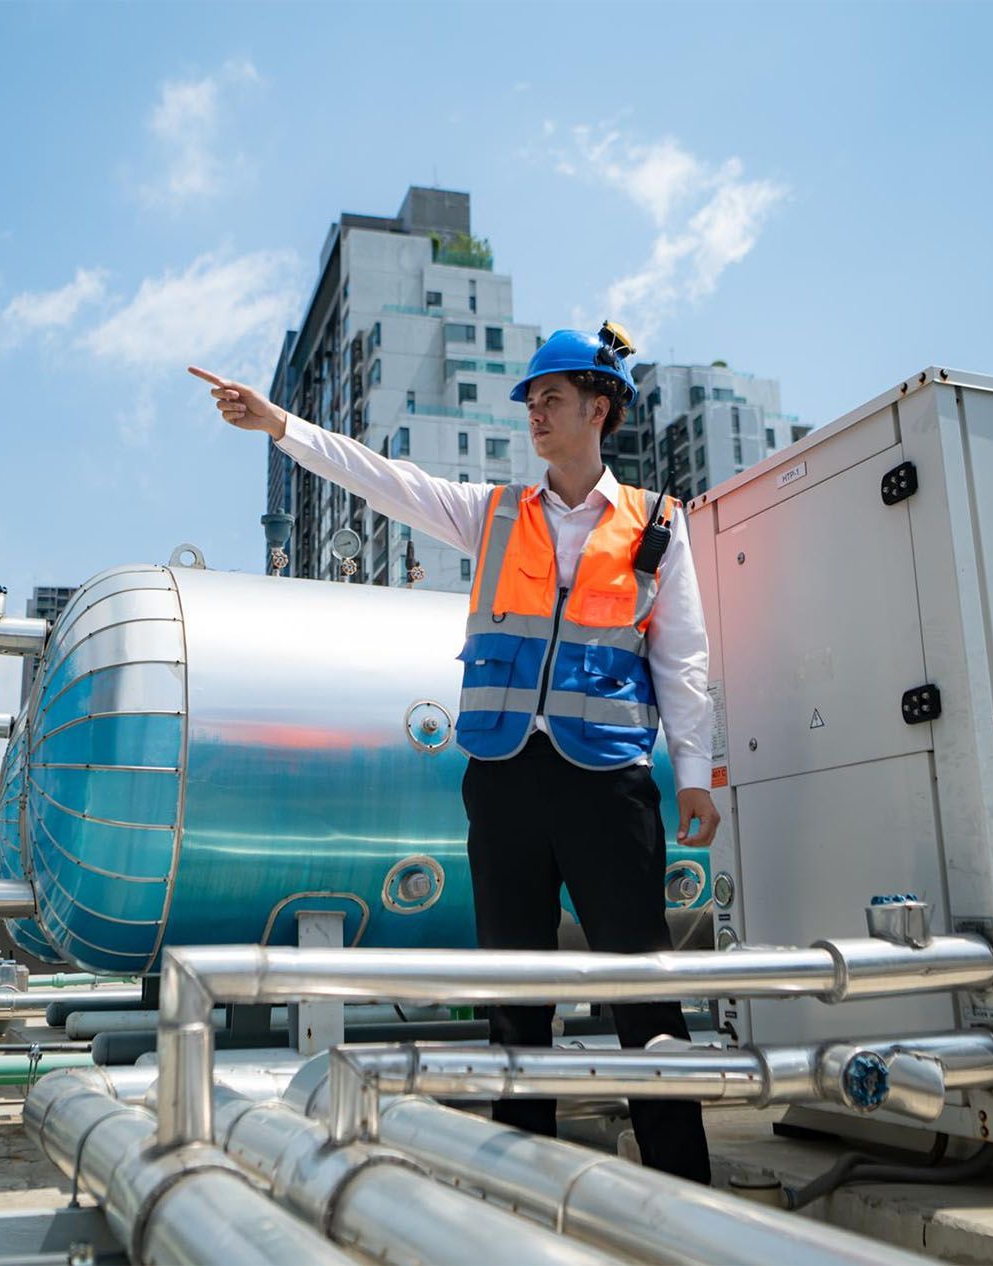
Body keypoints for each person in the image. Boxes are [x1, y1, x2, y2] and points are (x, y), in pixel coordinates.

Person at [189, 321, 721, 1184]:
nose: (535, 413)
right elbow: (386, 482)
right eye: (531, 401)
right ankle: (526, 1187)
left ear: (599, 406)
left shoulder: (657, 525)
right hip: (505, 781)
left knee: (644, 990)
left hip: (610, 786)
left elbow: (682, 657)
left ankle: (687, 1190)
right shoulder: (495, 513)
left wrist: (692, 773)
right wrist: (282, 425)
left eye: (551, 398)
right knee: (514, 997)